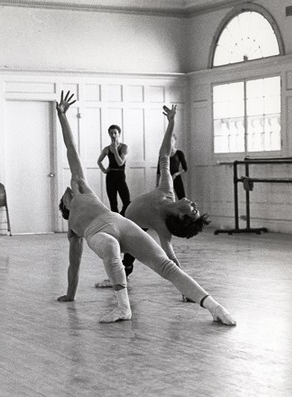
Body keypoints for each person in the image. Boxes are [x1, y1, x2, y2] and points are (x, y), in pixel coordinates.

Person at [56, 91, 235, 325]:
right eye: (65, 197)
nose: (67, 192)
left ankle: (215, 306)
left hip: (122, 223)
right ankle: (123, 308)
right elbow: (74, 265)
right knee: (110, 246)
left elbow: (72, 149)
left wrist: (62, 116)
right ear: (66, 206)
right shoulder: (72, 229)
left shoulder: (81, 186)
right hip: (98, 232)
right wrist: (70, 294)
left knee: (166, 266)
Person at [96, 107, 208, 300]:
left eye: (193, 210)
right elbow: (164, 156)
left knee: (123, 248)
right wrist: (171, 122)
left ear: (183, 216)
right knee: (124, 247)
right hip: (127, 219)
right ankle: (119, 276)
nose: (194, 203)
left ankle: (117, 280)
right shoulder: (167, 189)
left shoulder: (163, 228)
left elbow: (171, 259)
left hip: (130, 227)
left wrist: (186, 289)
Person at [97, 125, 130, 214]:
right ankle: (116, 222)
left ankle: (123, 218)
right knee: (113, 203)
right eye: (111, 133)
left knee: (127, 202)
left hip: (120, 176)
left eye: (115, 133)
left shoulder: (124, 147)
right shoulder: (107, 149)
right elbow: (99, 161)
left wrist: (115, 150)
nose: (113, 135)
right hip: (110, 177)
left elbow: (120, 163)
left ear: (119, 134)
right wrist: (104, 170)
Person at [156, 133, 187, 199]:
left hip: (176, 177)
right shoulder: (163, 154)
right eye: (168, 141)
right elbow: (158, 170)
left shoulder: (179, 153)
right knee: (165, 198)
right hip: (165, 178)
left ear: (175, 141)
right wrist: (157, 184)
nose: (170, 143)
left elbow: (185, 168)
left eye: (172, 141)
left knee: (182, 197)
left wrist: (176, 174)